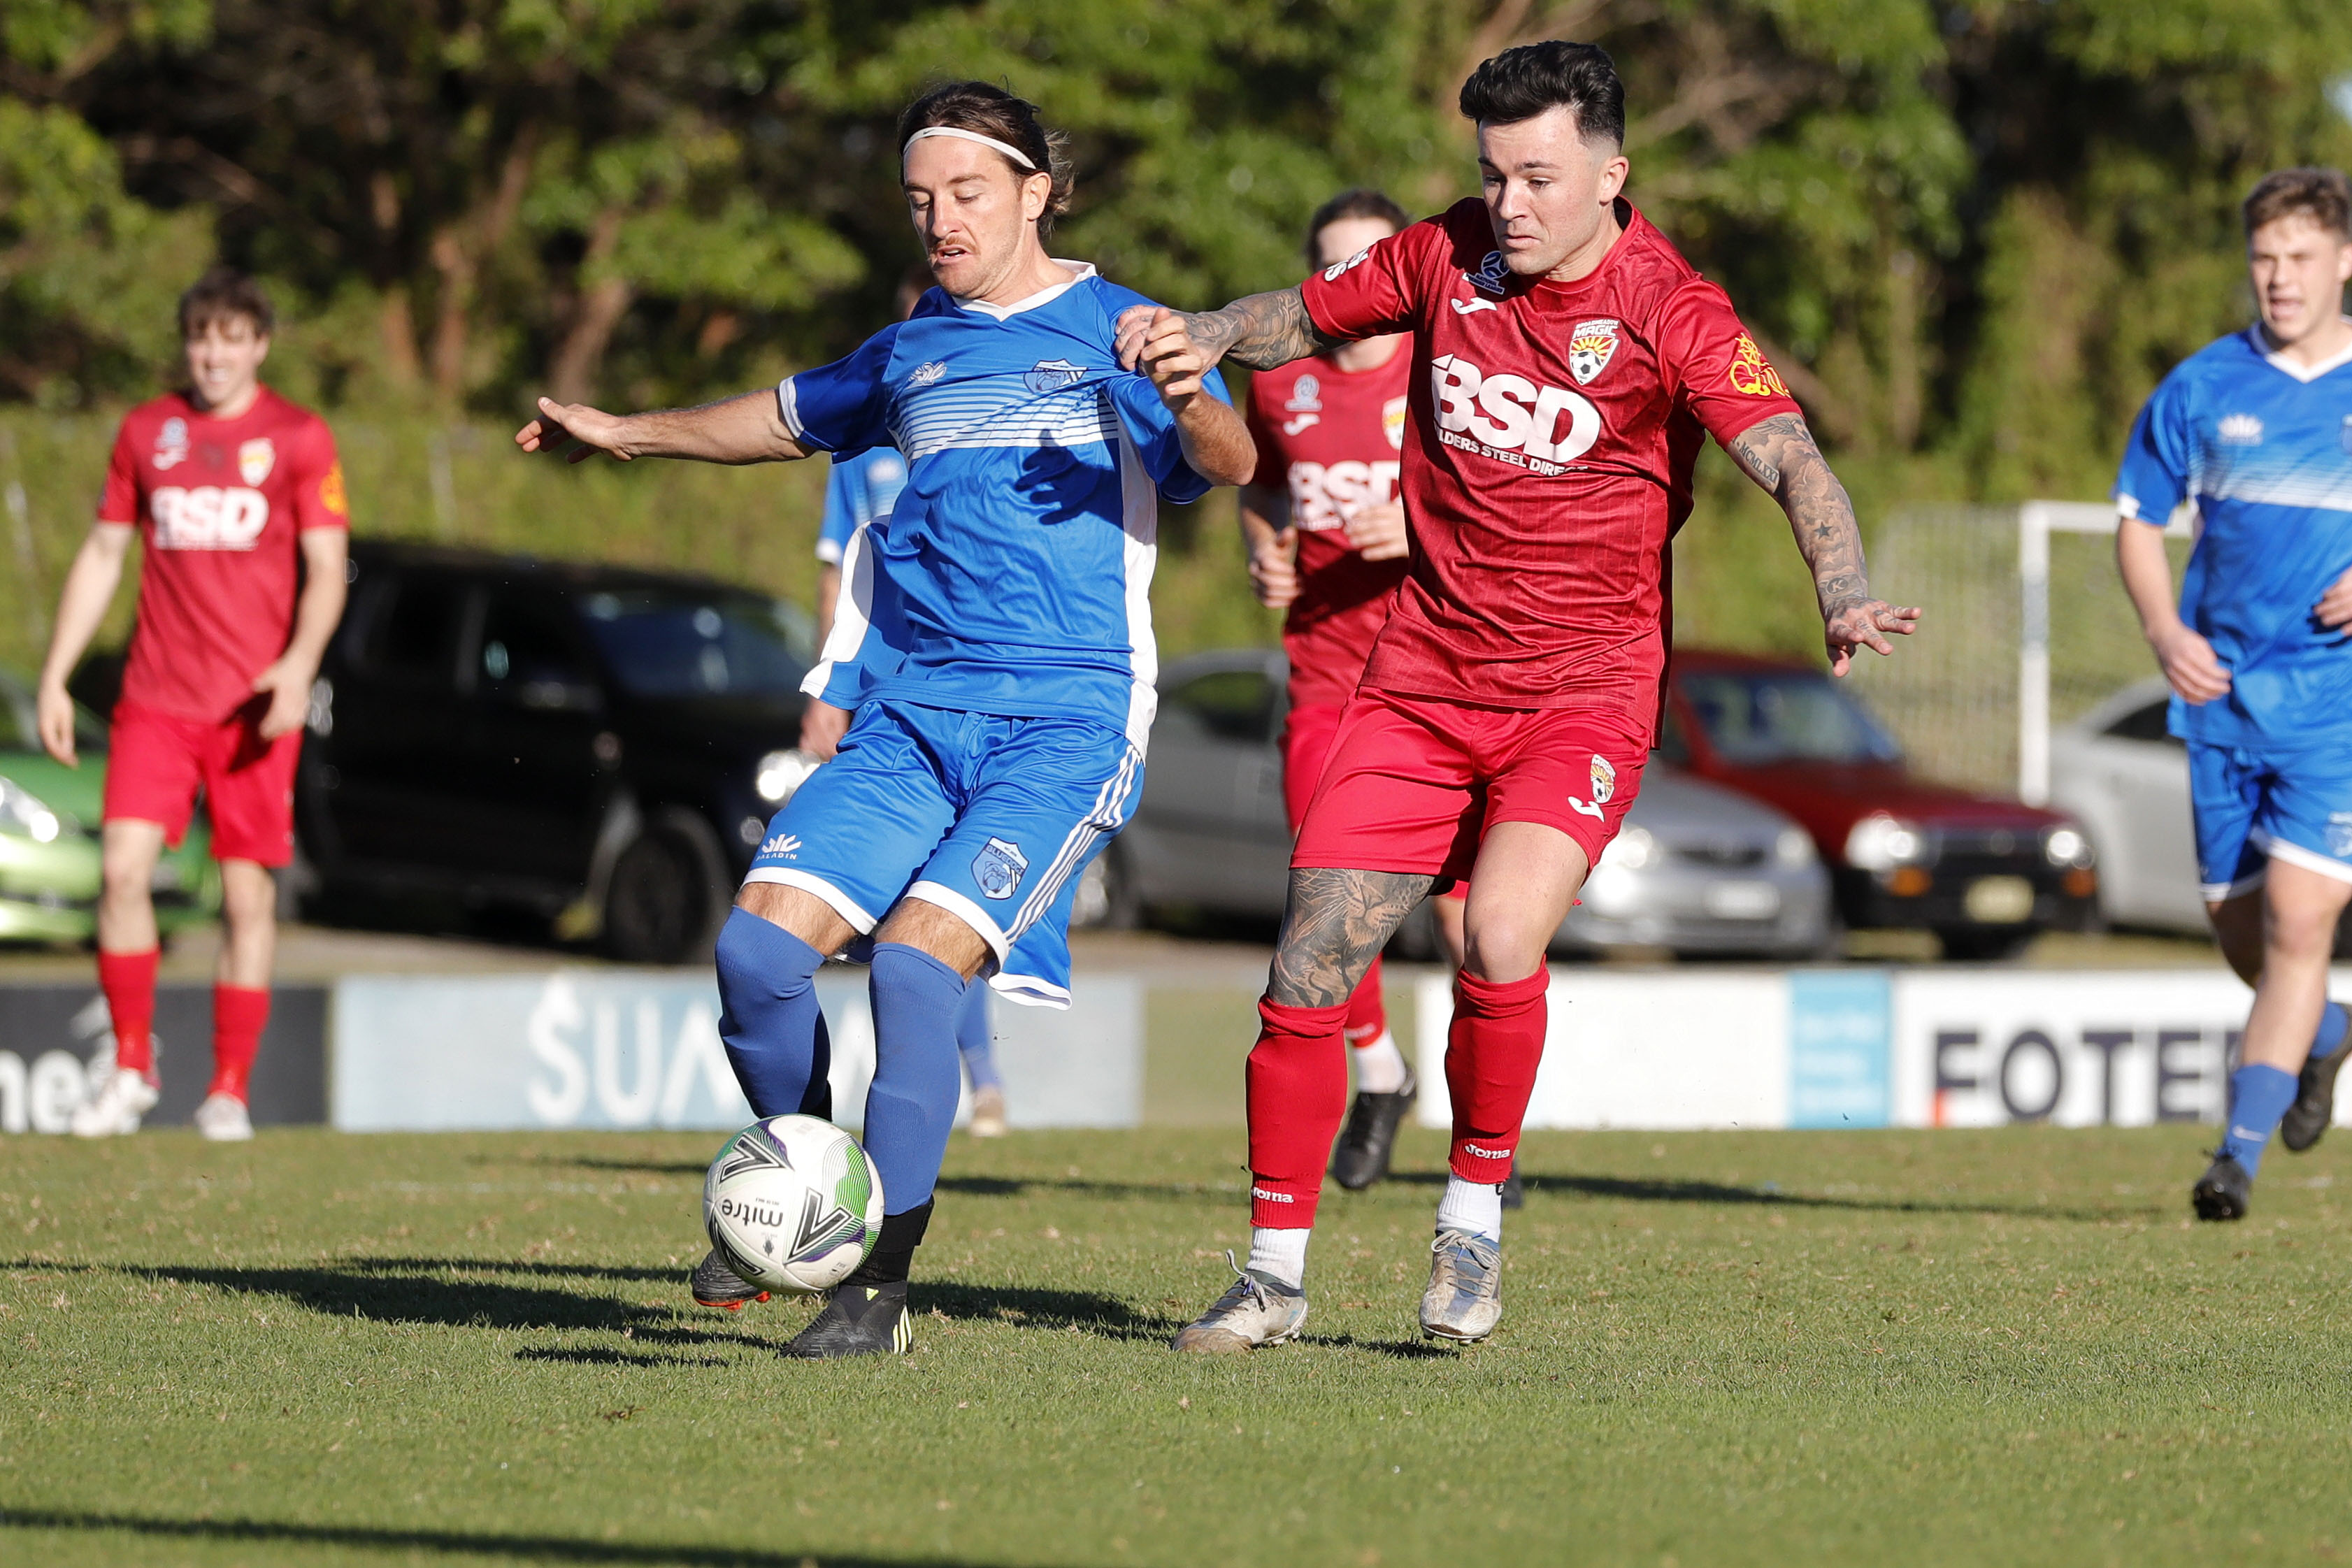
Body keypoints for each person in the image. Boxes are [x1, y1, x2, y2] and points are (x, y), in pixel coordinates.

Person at [1121, 41, 1918, 1350]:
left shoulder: (1673, 308)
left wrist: (1837, 586)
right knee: (1307, 957)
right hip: (1419, 678)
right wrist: (1211, 328)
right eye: (1493, 176)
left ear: (1611, 173)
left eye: (1538, 178)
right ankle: (1269, 1270)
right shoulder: (1444, 255)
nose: (1511, 205)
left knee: (1496, 937)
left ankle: (1470, 1230)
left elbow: (1789, 458)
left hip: (1580, 698)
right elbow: (1307, 315)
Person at [518, 80, 1253, 1358]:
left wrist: (1190, 389)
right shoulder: (913, 341)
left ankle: (877, 1290)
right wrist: (625, 434)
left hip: (1064, 725)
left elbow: (1228, 463)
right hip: (912, 716)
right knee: (754, 958)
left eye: (966, 193)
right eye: (920, 199)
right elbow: (783, 417)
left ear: (1036, 191)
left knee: (914, 972)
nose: (940, 220)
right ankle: (808, 1179)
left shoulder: (1117, 328)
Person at [38, 269, 350, 1143]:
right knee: (121, 872)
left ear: (259, 344)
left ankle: (227, 1089)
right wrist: (59, 673)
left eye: (230, 338)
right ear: (188, 344)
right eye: (200, 337)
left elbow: (327, 570)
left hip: (255, 710)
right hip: (157, 703)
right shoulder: (147, 431)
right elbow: (104, 552)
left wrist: (296, 667)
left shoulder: (298, 436)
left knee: (247, 900)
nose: (212, 354)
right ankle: (131, 1066)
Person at [2112, 166, 2352, 1222]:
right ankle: (2325, 1033)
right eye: (2264, 258)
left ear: (2343, 261)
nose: (2280, 278)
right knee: (2241, 933)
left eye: (2300, 258)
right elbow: (2137, 519)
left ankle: (2234, 1158)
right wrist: (2166, 630)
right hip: (2219, 701)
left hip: (2335, 707)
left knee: (2303, 923)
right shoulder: (2203, 386)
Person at [1239, 188, 1471, 1193]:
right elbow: (1260, 485)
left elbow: (1506, 500)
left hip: (1445, 677)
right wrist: (1265, 549)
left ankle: (1482, 1139)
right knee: (1319, 893)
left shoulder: (1448, 372)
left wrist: (1419, 526)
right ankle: (1380, 1072)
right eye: (1333, 267)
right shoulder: (1282, 380)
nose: (1353, 286)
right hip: (1328, 677)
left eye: (1370, 265)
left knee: (1472, 923)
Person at [806, 272, 1008, 1139]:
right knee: (890, 921)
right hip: (884, 693)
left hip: (973, 697)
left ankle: (983, 1078)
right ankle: (964, 1086)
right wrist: (828, 685)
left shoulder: (991, 417)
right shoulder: (863, 446)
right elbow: (837, 571)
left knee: (925, 916)